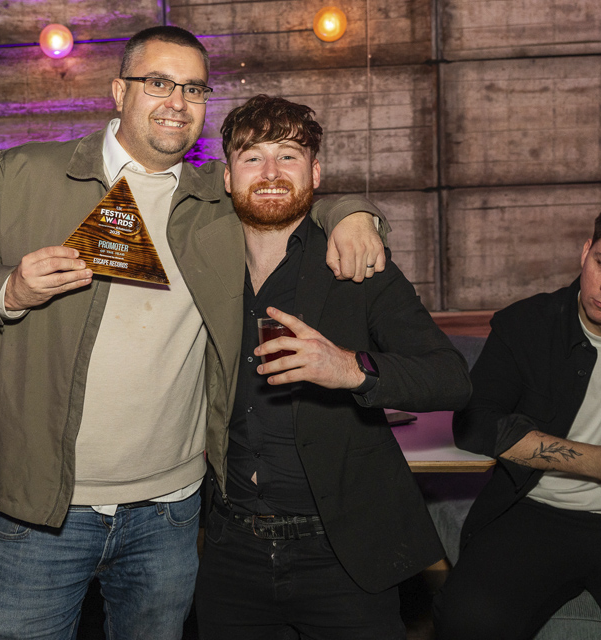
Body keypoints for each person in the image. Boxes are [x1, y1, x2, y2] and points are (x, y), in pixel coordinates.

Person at [0, 26, 389, 640]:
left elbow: (283, 188)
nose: (178, 102)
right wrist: (8, 288)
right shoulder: (30, 173)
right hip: (40, 505)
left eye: (194, 88)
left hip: (170, 510)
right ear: (119, 91)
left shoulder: (215, 197)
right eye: (159, 83)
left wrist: (352, 212)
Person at [193, 94, 472, 639]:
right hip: (230, 552)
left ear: (315, 173)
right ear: (227, 177)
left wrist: (351, 369)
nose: (270, 173)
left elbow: (450, 377)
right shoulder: (200, 261)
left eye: (288, 156)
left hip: (342, 552)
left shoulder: (356, 264)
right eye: (252, 158)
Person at [433, 204, 601, 639]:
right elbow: (476, 423)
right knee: (467, 621)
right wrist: (596, 462)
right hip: (536, 510)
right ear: (585, 251)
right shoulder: (528, 324)